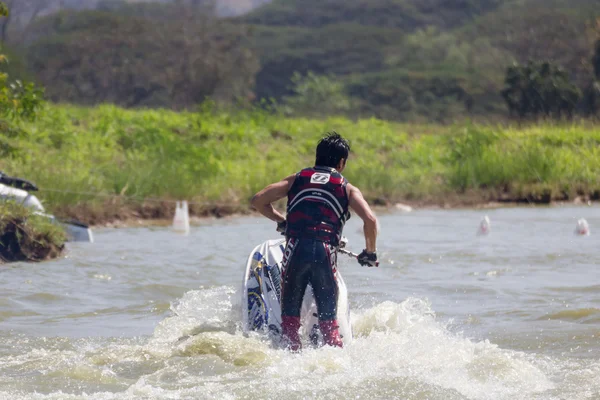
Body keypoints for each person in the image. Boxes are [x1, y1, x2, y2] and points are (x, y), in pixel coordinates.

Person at [251, 131, 379, 351]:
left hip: (295, 253)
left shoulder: (296, 179)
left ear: (317, 158)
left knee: (289, 326)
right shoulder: (347, 188)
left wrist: (283, 221)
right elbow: (370, 220)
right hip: (324, 255)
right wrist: (370, 252)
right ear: (341, 163)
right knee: (330, 327)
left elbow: (258, 200)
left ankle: (290, 358)